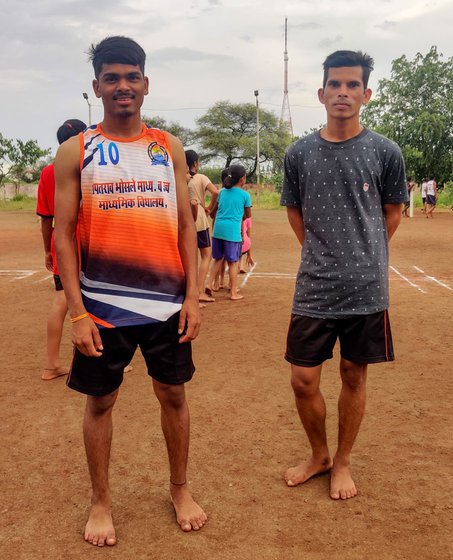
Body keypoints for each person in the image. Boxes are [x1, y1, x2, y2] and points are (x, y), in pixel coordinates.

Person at [54, 36, 206, 547]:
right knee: (100, 403)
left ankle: (179, 489)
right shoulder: (77, 149)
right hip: (101, 308)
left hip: (167, 305)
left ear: (146, 83)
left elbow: (186, 227)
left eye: (132, 76)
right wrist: (76, 312)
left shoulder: (170, 148)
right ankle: (101, 502)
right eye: (112, 78)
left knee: (174, 395)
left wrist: (192, 297)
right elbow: (63, 234)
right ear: (97, 86)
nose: (123, 86)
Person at [280, 50, 408, 500]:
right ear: (321, 92)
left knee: (354, 374)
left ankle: (344, 461)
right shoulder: (299, 153)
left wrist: (363, 254)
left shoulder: (385, 151)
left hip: (366, 289)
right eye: (335, 84)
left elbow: (393, 212)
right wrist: (322, 253)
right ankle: (319, 455)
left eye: (353, 85)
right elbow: (295, 212)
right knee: (303, 379)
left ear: (366, 94)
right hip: (314, 286)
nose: (343, 93)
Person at [36, 118, 87, 380]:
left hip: (61, 241)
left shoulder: (48, 172)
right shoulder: (89, 166)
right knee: (95, 299)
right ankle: (107, 358)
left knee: (61, 300)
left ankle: (51, 364)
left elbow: (46, 218)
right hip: (88, 238)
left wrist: (48, 250)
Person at [208, 164, 252, 301]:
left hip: (218, 230)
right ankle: (233, 292)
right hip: (232, 232)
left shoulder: (221, 192)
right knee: (233, 262)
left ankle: (208, 286)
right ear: (243, 179)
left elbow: (214, 211)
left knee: (217, 258)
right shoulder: (245, 195)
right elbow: (247, 215)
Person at [185, 150, 219, 303]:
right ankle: (199, 292)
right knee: (206, 255)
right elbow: (215, 192)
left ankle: (189, 293)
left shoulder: (180, 178)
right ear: (195, 163)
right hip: (199, 217)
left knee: (190, 258)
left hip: (184, 218)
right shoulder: (201, 177)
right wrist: (210, 208)